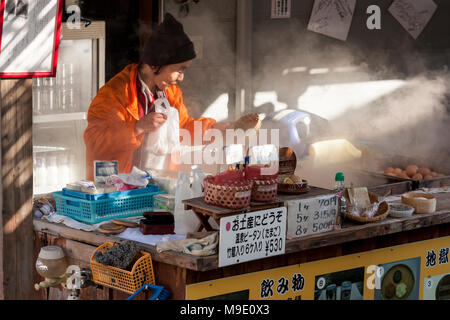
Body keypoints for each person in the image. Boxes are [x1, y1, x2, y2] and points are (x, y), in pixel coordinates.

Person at [84, 13, 234, 181]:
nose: (181, 78)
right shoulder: (116, 93)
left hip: (159, 184)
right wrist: (137, 128)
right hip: (116, 189)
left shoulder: (171, 92)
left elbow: (183, 128)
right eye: (179, 69)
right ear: (155, 64)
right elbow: (94, 142)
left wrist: (221, 130)